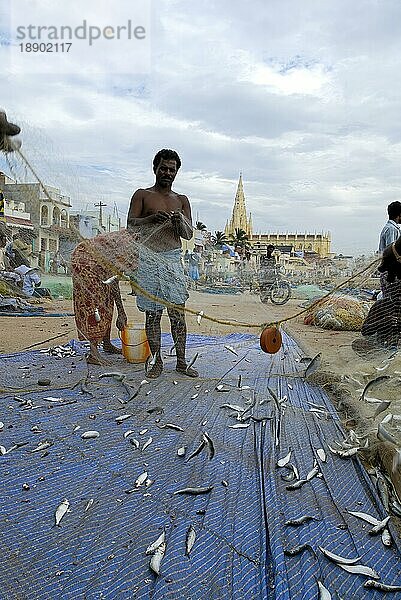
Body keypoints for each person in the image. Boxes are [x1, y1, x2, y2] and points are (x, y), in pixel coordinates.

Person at [127, 148, 198, 379]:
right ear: (155, 169)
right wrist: (149, 219)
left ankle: (181, 361)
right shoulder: (142, 195)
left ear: (177, 172)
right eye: (163, 168)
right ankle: (156, 361)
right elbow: (130, 225)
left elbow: (188, 234)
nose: (167, 172)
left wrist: (179, 221)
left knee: (178, 314)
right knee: (153, 315)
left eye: (172, 169)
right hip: (148, 260)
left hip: (172, 260)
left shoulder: (182, 200)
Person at [71, 228, 138, 365]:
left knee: (107, 299)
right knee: (93, 304)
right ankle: (93, 352)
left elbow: (114, 279)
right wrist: (122, 312)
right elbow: (114, 281)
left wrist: (121, 311)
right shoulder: (127, 248)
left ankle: (106, 343)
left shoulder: (134, 244)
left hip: (99, 263)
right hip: (85, 262)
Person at [378, 201, 401, 297]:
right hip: (390, 273)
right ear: (399, 215)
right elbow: (391, 251)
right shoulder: (392, 229)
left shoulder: (389, 228)